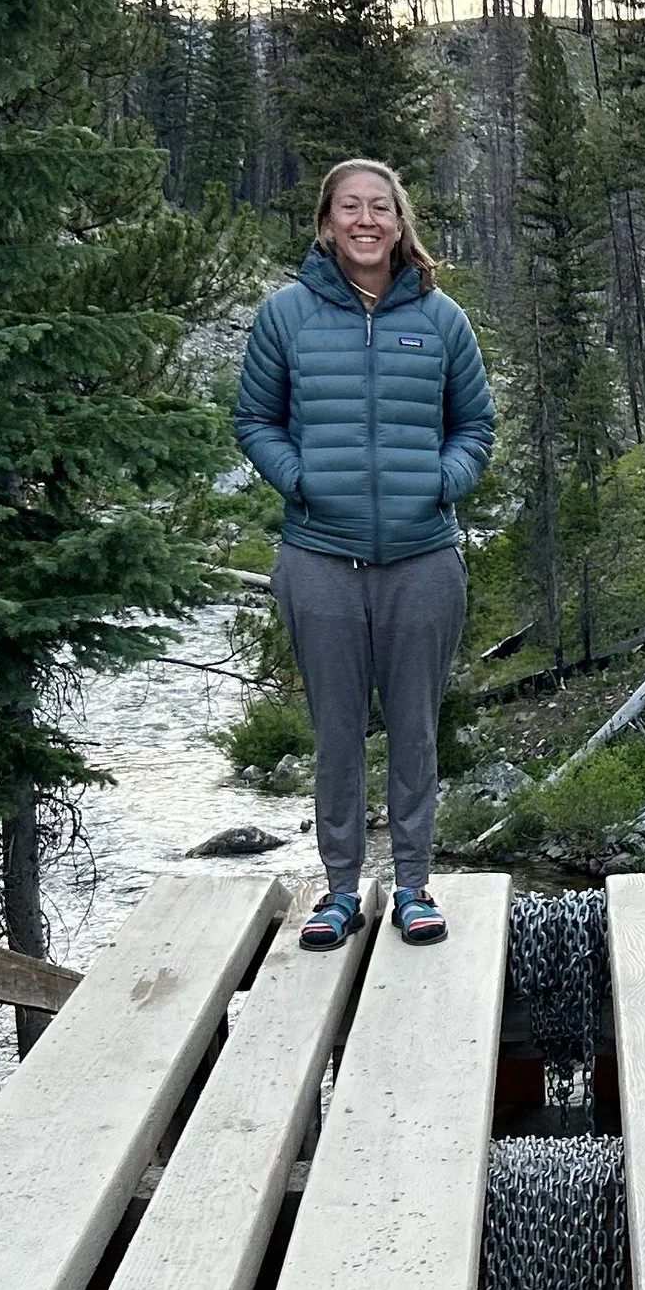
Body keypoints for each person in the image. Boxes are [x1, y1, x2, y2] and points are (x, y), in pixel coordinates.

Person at [234, 159, 495, 949]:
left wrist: (440, 484)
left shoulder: (443, 319)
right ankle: (340, 891)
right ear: (326, 223)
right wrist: (301, 479)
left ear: (399, 221)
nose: (365, 219)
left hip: (422, 557)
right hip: (319, 555)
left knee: (415, 727)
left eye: (379, 206)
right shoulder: (286, 316)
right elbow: (255, 419)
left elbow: (475, 426)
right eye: (350, 207)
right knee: (336, 730)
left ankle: (414, 885)